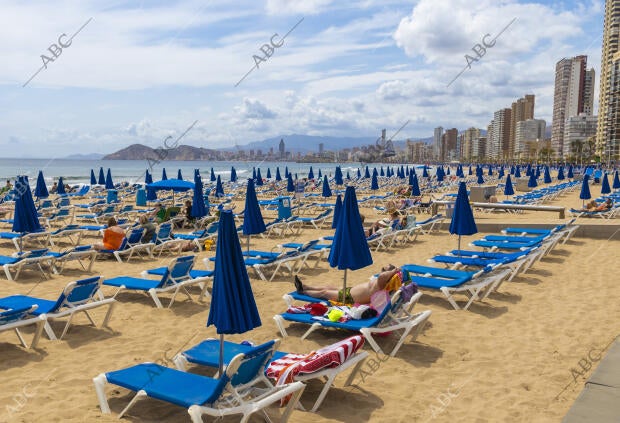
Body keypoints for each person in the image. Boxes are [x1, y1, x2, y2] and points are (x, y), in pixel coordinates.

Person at [294, 265, 401, 305]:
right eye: (382, 268)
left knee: (324, 293)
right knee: (329, 286)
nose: (381, 270)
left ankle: (302, 291)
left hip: (350, 298)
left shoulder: (382, 282)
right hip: (350, 292)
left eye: (384, 269)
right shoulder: (380, 281)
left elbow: (383, 276)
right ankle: (305, 286)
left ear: (389, 275)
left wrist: (393, 271)